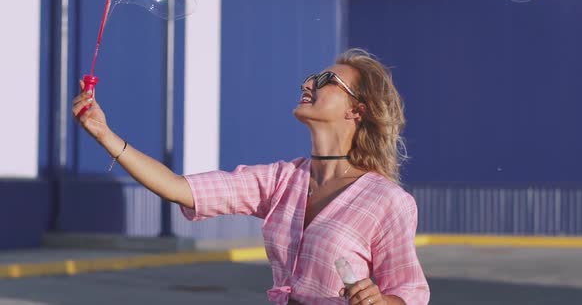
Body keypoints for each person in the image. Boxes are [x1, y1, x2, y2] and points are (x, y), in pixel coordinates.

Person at [72, 48, 430, 305]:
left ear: (357, 109)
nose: (309, 83)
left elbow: (410, 292)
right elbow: (179, 188)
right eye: (311, 77)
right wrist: (104, 134)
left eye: (326, 80)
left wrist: (381, 301)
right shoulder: (281, 181)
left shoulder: (387, 201)